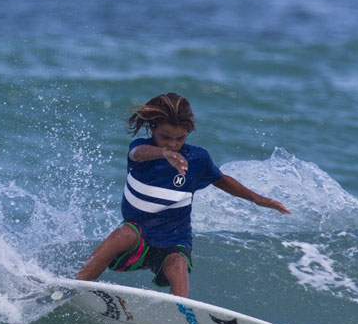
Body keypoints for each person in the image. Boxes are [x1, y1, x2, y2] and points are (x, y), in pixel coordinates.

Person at [75, 93, 289, 298]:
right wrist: (164, 154)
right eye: (165, 138)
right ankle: (76, 285)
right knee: (123, 234)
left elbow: (222, 180)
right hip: (138, 238)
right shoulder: (142, 149)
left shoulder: (197, 159)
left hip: (173, 239)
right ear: (152, 128)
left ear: (188, 132)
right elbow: (137, 154)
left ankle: (180, 315)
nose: (172, 144)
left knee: (178, 265)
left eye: (179, 139)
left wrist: (257, 198)